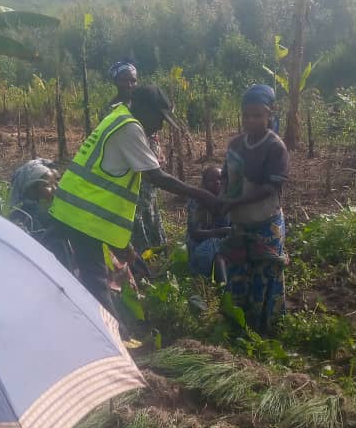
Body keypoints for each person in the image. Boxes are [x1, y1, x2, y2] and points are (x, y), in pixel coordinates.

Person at [49, 85, 219, 314]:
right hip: (81, 216)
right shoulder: (129, 127)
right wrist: (203, 195)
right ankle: (112, 332)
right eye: (159, 118)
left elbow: (105, 188)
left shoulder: (118, 117)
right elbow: (156, 176)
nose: (160, 126)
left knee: (70, 275)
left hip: (74, 210)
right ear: (143, 108)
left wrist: (126, 250)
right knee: (95, 284)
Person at [218, 84, 289, 334]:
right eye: (246, 115)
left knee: (264, 277)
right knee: (239, 274)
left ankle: (265, 331)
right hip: (240, 222)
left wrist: (236, 202)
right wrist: (222, 196)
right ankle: (238, 328)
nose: (250, 120)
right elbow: (226, 177)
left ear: (270, 114)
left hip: (265, 223)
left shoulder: (275, 147)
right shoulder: (236, 144)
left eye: (257, 115)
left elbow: (270, 188)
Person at [107, 60, 167, 254]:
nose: (130, 84)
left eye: (133, 80)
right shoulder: (114, 111)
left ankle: (153, 251)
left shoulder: (143, 105)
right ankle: (140, 254)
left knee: (149, 208)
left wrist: (158, 154)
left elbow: (152, 136)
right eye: (124, 80)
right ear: (115, 81)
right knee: (136, 213)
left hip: (148, 168)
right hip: (133, 171)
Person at [8, 159, 71, 266]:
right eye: (47, 185)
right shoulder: (24, 219)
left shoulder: (51, 214)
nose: (55, 188)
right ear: (32, 190)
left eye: (55, 182)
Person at [186, 166, 231, 282]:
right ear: (204, 183)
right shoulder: (196, 201)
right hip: (200, 244)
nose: (217, 182)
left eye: (220, 179)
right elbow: (194, 233)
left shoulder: (228, 199)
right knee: (215, 253)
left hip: (225, 241)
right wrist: (221, 232)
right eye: (212, 180)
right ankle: (222, 288)